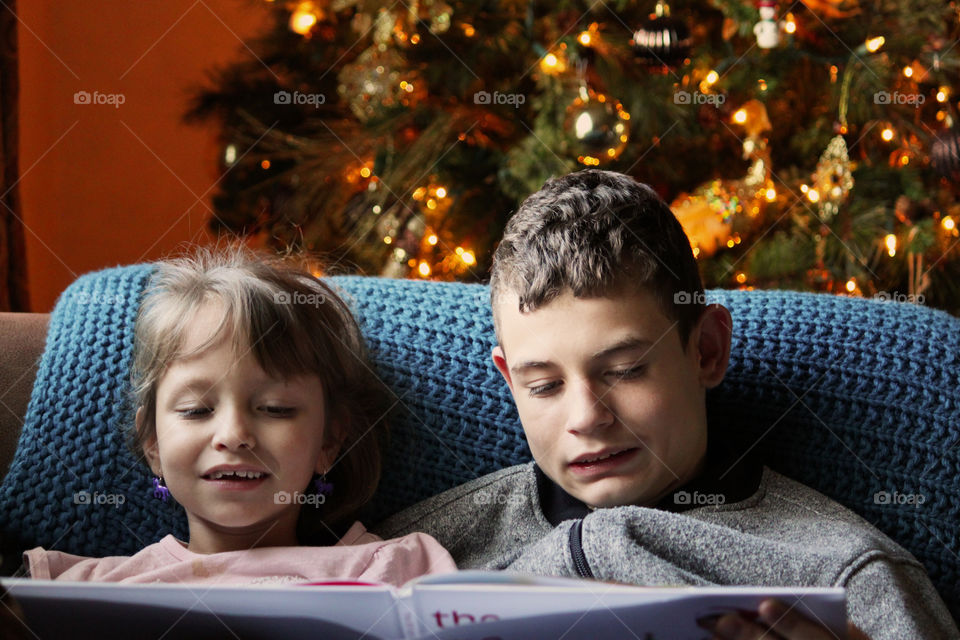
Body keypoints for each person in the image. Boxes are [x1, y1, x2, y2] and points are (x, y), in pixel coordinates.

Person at [374, 170, 959, 639]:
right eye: (544, 385)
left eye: (625, 370)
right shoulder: (413, 556)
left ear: (706, 350)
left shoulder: (845, 579)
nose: (586, 418)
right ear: (508, 380)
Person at [23, 246, 456, 587]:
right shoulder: (82, 588)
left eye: (274, 409)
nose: (233, 435)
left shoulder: (389, 573)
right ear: (152, 444)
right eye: (196, 411)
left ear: (329, 442)